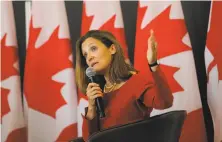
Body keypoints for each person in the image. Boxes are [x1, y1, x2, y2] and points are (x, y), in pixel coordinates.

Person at [75, 30, 173, 141]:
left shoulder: (136, 82)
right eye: (85, 55)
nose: (89, 57)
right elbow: (89, 139)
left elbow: (165, 102)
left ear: (112, 49)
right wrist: (92, 107)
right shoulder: (98, 92)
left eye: (93, 49)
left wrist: (153, 63)